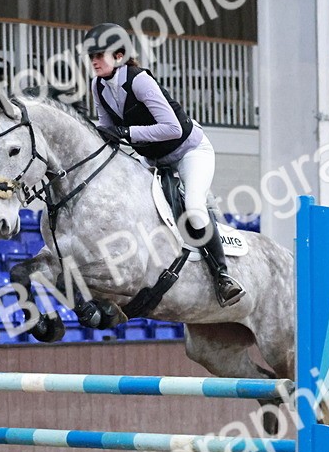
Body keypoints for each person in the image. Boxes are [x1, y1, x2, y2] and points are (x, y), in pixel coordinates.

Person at [83, 22, 244, 308]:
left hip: (188, 152)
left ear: (119, 56)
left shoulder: (140, 81)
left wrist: (127, 132)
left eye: (100, 55)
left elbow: (172, 128)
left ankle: (222, 276)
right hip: (153, 160)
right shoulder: (99, 87)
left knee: (194, 206)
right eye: (91, 56)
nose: (94, 61)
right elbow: (107, 130)